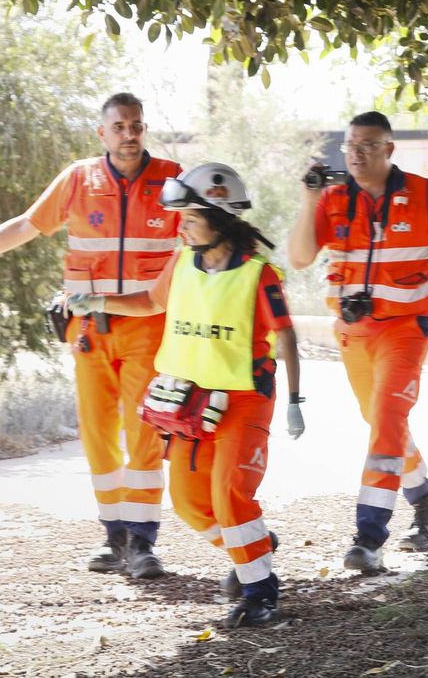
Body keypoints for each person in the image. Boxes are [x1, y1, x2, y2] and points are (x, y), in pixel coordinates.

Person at [0, 93, 180, 578]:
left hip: (147, 328)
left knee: (144, 435)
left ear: (144, 127)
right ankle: (114, 536)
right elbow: (23, 228)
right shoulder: (79, 178)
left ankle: (143, 542)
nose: (128, 134)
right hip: (89, 333)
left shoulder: (172, 179)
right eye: (118, 126)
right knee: (97, 436)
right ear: (102, 133)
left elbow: (203, 235)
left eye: (135, 125)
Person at [73, 162, 302, 628]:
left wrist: (296, 403)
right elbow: (150, 303)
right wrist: (96, 301)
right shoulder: (181, 261)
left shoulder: (260, 275)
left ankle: (262, 593)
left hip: (242, 401)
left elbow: (288, 337)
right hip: (190, 406)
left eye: (191, 218)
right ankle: (252, 549)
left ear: (218, 220)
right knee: (189, 503)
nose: (181, 226)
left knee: (229, 495)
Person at [288, 111, 428, 572]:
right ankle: (425, 502)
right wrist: (308, 201)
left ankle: (368, 536)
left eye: (367, 145)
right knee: (382, 421)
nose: (357, 153)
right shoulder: (331, 199)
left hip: (407, 328)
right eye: (350, 145)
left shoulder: (426, 194)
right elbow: (301, 257)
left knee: (386, 418)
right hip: (352, 331)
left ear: (389, 149)